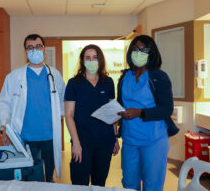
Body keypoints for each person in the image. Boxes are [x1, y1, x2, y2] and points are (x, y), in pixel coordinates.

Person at [0, 34, 65, 182]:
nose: (35, 50)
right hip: (26, 136)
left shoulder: (55, 75)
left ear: (44, 49)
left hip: (50, 136)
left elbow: (63, 102)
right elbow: (3, 103)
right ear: (25, 52)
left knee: (49, 178)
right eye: (30, 48)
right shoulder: (14, 76)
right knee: (30, 177)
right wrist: (4, 128)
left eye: (38, 46)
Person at [116, 35, 179, 191]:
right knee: (129, 184)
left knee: (152, 186)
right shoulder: (125, 77)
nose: (138, 52)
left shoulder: (159, 77)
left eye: (143, 49)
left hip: (154, 140)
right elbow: (119, 104)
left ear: (151, 53)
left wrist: (140, 113)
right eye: (135, 49)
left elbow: (166, 109)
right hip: (130, 140)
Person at [64, 44, 120, 186]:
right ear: (82, 61)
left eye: (95, 57)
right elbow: (69, 115)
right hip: (82, 143)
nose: (91, 61)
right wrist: (76, 143)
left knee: (99, 183)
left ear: (100, 60)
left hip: (104, 142)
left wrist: (114, 138)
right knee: (79, 183)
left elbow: (112, 112)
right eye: (87, 58)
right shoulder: (73, 84)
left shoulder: (107, 82)